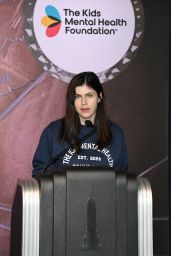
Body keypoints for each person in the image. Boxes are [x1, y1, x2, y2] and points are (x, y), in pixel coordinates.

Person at [32, 71, 128, 177]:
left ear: (99, 97)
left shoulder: (116, 133)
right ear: (72, 100)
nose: (84, 102)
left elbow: (121, 178)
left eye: (89, 96)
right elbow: (40, 171)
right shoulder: (53, 132)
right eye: (78, 96)